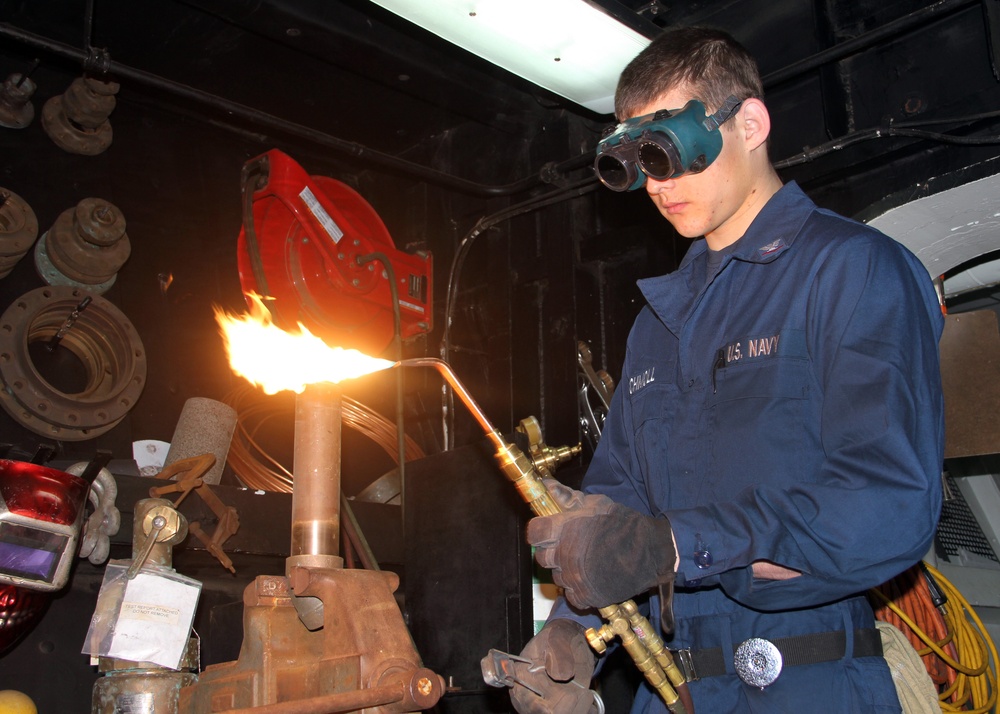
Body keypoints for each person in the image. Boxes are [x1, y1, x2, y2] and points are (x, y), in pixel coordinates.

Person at [508, 25, 945, 714]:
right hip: (671, 694)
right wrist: (572, 635)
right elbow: (618, 513)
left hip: (810, 685)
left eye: (673, 150)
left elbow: (889, 506)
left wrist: (677, 546)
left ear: (749, 123)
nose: (658, 183)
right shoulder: (656, 327)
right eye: (639, 161)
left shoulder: (852, 270)